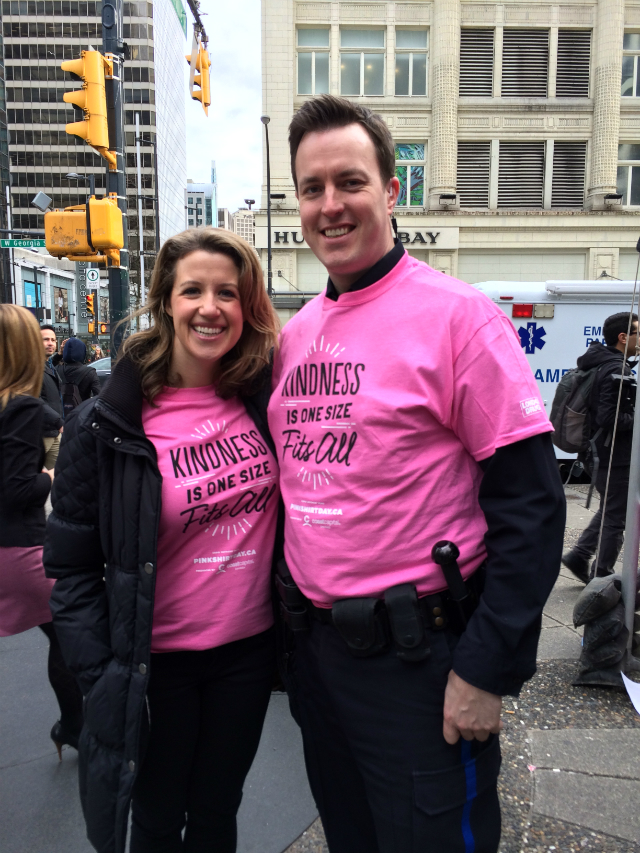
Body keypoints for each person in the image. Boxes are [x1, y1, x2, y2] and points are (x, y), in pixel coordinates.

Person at [268, 95, 566, 853]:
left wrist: (487, 667)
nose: (330, 205)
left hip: (421, 666)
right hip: (318, 662)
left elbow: (532, 506)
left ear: (392, 189)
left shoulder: (459, 318)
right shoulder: (296, 335)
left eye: (350, 182)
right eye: (311, 188)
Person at [44, 228, 281, 853]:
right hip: (155, 666)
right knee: (156, 819)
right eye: (193, 290)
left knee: (217, 811)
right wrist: (101, 675)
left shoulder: (263, 400)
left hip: (247, 655)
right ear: (165, 302)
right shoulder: (105, 424)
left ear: (246, 307)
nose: (211, 307)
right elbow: (70, 569)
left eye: (227, 293)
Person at [0, 305, 83, 760]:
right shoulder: (23, 408)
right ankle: (73, 725)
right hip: (19, 546)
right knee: (68, 634)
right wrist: (50, 474)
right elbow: (18, 490)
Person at [562, 312, 638, 584]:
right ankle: (601, 576)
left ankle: (580, 555)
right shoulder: (617, 369)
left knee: (611, 508)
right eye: (638, 333)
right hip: (613, 454)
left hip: (598, 451)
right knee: (616, 517)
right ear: (623, 337)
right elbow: (609, 418)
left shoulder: (603, 362)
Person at [40, 324, 64, 469]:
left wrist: (58, 356)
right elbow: (35, 399)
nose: (50, 343)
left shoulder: (47, 364)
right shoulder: (31, 366)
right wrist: (58, 422)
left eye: (53, 340)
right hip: (40, 434)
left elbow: (49, 372)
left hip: (54, 432)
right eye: (46, 339)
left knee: (56, 475)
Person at [56, 336, 101, 403]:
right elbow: (99, 397)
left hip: (60, 409)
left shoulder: (56, 369)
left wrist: (59, 354)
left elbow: (46, 366)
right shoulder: (90, 372)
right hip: (82, 408)